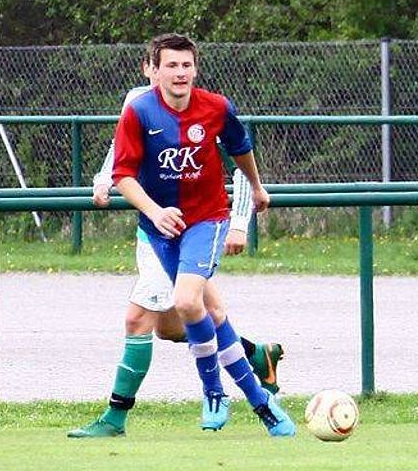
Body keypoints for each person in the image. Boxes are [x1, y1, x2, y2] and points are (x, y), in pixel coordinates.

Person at [68, 46, 285, 439]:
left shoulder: (212, 107)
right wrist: (104, 182)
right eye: (167, 66)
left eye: (185, 65)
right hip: (154, 228)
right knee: (183, 323)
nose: (175, 73)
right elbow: (121, 160)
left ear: (195, 69)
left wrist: (242, 216)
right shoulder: (138, 105)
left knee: (146, 316)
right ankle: (256, 359)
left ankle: (117, 416)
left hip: (195, 223)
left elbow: (239, 153)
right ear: (150, 69)